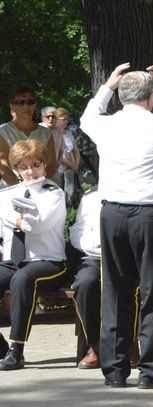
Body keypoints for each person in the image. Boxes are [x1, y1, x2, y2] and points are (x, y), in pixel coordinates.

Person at [79, 63, 153, 389]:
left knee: (115, 293)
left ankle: (115, 372)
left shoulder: (103, 124)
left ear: (120, 98)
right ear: (150, 98)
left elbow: (86, 117)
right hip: (151, 216)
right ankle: (151, 372)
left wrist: (107, 86)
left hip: (113, 215)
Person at [0, 139, 67, 370]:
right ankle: (1, 347)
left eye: (35, 165)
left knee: (23, 279)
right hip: (13, 261)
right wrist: (16, 218)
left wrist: (13, 216)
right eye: (24, 167)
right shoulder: (9, 193)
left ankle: (16, 349)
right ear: (16, 170)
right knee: (16, 275)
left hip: (48, 261)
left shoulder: (53, 193)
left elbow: (37, 226)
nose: (30, 172)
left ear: (44, 165)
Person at [70, 188, 139, 369]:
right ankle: (95, 346)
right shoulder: (91, 196)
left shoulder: (135, 191)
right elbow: (77, 231)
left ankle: (129, 344)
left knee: (134, 286)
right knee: (85, 284)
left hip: (127, 257)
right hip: (96, 256)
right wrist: (94, 242)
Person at [0, 86, 58, 187]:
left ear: (35, 105)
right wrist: (22, 188)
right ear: (12, 106)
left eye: (30, 102)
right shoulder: (3, 132)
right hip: (12, 188)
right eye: (20, 102)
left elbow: (52, 164)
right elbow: (3, 166)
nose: (25, 106)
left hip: (41, 188)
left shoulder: (46, 133)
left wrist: (39, 185)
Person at [55, 108, 81, 207]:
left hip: (70, 169)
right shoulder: (53, 134)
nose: (66, 121)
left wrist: (76, 164)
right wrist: (72, 165)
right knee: (59, 193)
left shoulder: (69, 133)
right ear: (57, 119)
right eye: (63, 119)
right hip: (58, 170)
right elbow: (57, 155)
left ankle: (70, 211)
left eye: (67, 119)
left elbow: (76, 151)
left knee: (70, 192)